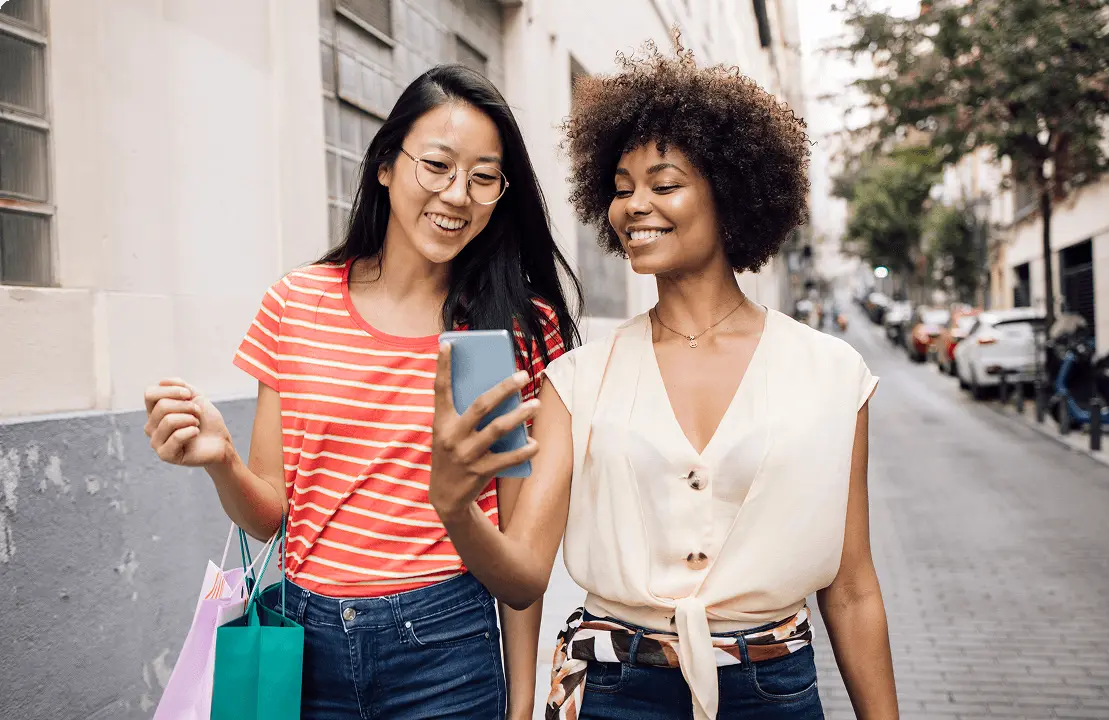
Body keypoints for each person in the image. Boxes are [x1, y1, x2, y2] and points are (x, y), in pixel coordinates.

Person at [428, 37, 898, 720]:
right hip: (616, 693)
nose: (634, 207)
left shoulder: (832, 374)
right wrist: (456, 507)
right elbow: (524, 576)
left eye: (665, 184)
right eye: (620, 190)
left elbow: (852, 587)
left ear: (731, 192)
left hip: (775, 690)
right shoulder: (575, 379)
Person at [143, 64, 582, 719]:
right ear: (384, 164)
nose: (458, 194)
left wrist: (520, 703)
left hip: (448, 648)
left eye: (484, 177)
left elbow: (519, 555)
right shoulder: (297, 303)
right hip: (305, 642)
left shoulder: (516, 325)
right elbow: (269, 516)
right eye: (436, 165)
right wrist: (222, 461)